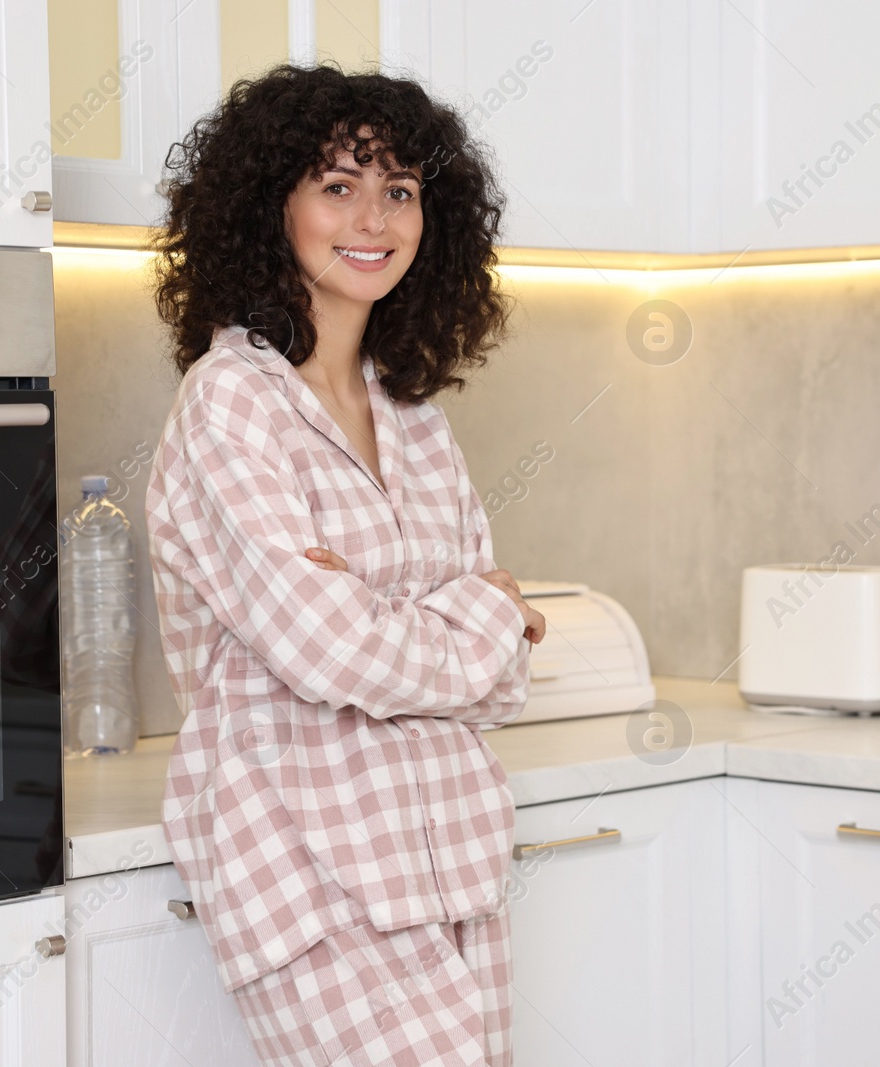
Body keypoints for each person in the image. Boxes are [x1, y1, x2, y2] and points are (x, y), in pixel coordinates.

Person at [145, 61, 547, 1067]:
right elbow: (325, 649)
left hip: (448, 849)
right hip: (303, 859)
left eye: (400, 189)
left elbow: (503, 682)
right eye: (337, 183)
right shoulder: (231, 399)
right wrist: (473, 610)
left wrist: (414, 621)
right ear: (267, 205)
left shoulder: (411, 412)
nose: (375, 215)